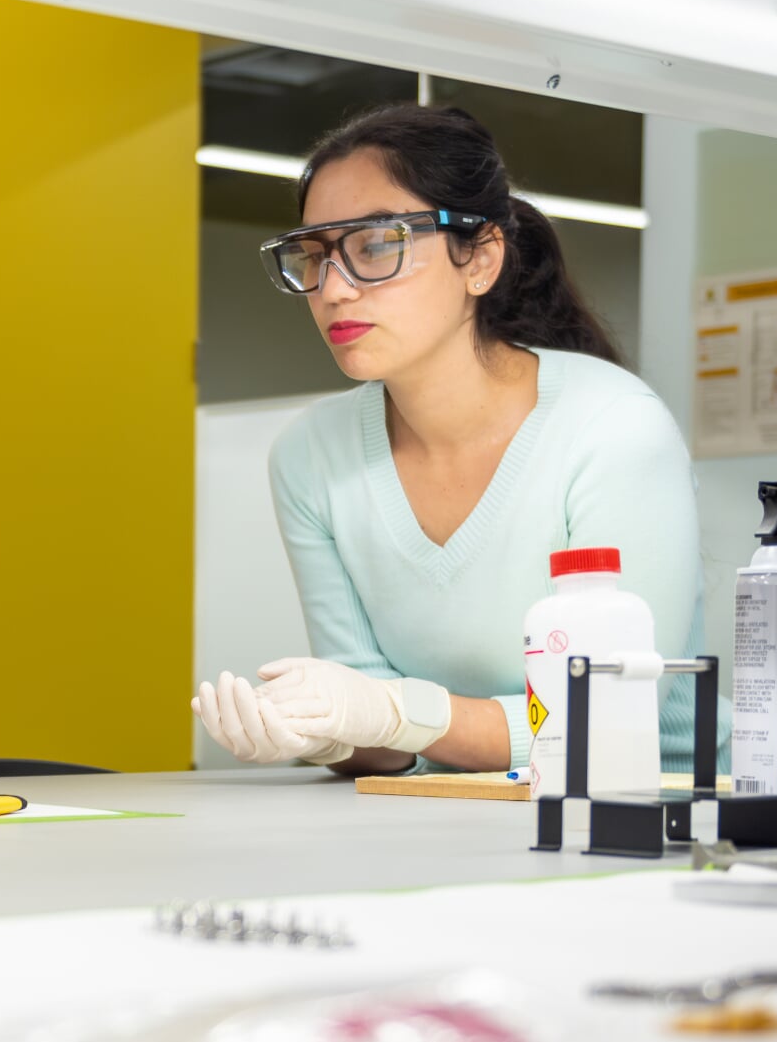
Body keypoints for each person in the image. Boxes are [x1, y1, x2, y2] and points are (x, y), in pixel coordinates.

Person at [195, 104, 710, 776]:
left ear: (481, 257)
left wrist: (400, 713)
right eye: (316, 255)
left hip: (654, 812)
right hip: (448, 820)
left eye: (376, 244)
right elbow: (381, 729)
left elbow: (608, 717)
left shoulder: (612, 426)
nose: (334, 289)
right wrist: (328, 736)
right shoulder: (309, 456)